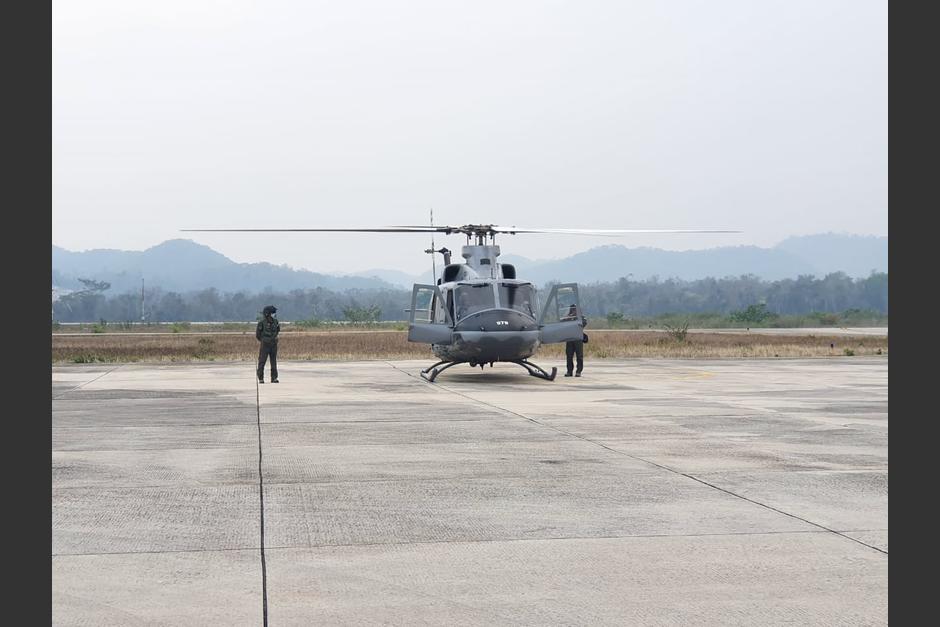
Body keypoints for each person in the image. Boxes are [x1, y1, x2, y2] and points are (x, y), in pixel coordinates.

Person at [256, 305, 280, 383]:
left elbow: (277, 331)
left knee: (273, 362)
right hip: (265, 345)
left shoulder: (276, 322)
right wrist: (264, 340)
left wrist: (274, 339)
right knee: (262, 361)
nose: (274, 314)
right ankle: (261, 378)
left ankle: (274, 378)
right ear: (268, 314)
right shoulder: (261, 323)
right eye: (272, 313)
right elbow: (258, 335)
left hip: (273, 344)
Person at [563, 304, 587, 377]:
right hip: (570, 338)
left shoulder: (581, 317)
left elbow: (584, 323)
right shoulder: (568, 317)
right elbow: (562, 322)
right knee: (569, 356)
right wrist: (570, 316)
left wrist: (577, 317)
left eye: (574, 309)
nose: (573, 310)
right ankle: (569, 371)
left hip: (578, 338)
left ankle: (578, 371)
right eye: (572, 309)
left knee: (579, 356)